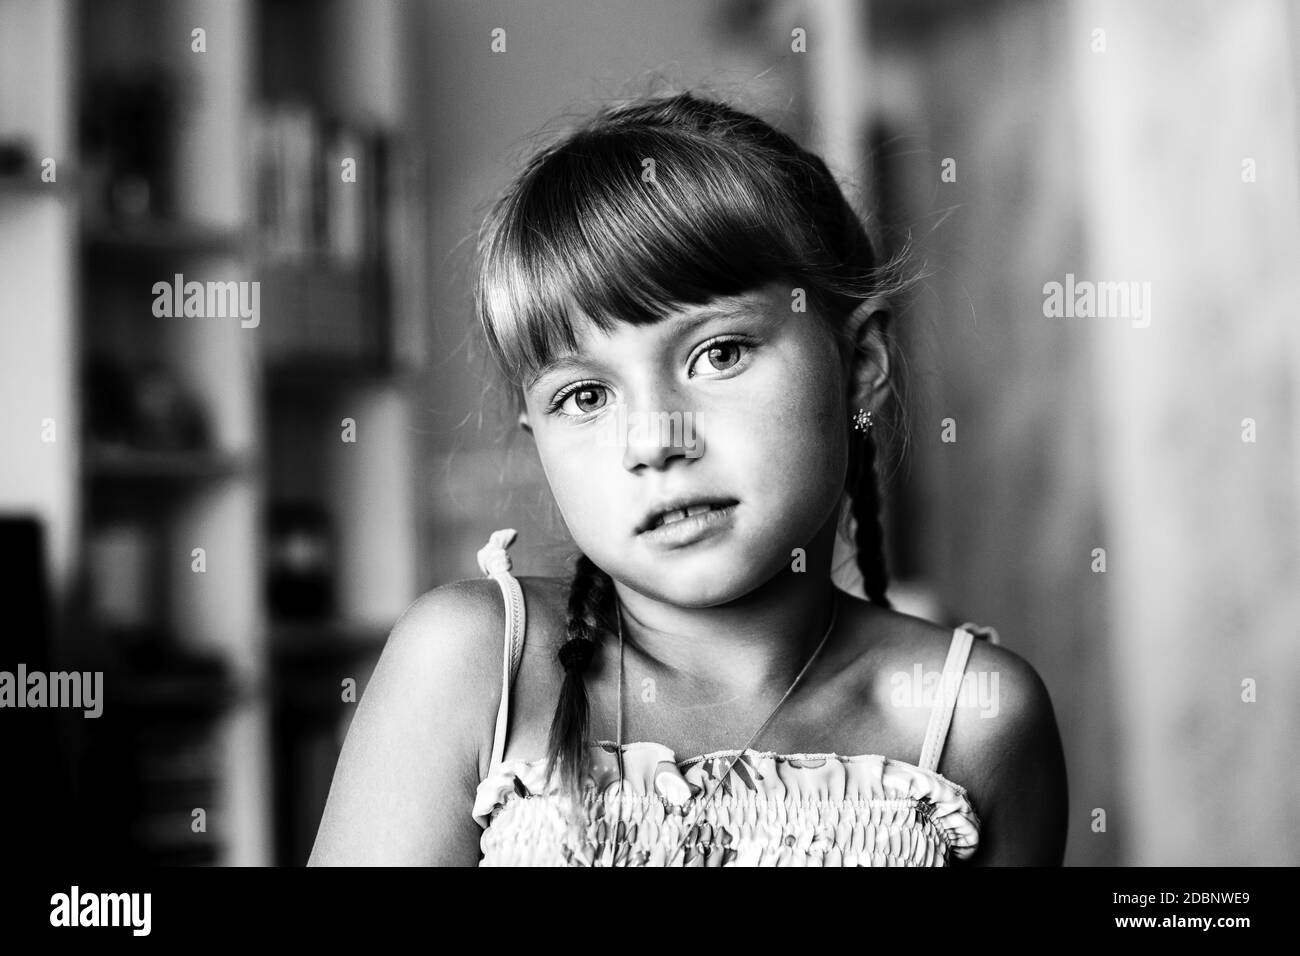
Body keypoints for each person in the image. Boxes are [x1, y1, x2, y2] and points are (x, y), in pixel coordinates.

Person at [308, 90, 1068, 866]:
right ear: (538, 441)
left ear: (859, 366)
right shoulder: (474, 668)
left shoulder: (972, 718)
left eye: (721, 353)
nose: (654, 440)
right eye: (585, 396)